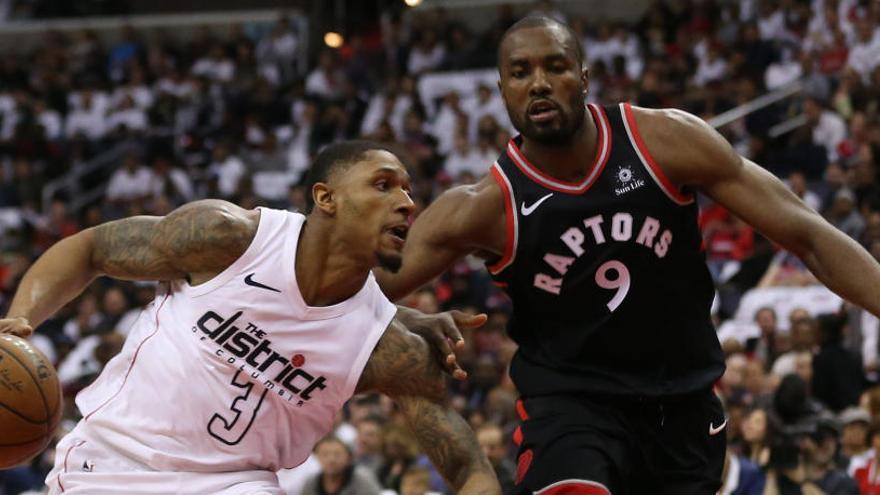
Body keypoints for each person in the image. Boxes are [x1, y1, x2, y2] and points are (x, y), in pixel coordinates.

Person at [375, 15, 880, 494]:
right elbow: (353, 291)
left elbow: (807, 233)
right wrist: (398, 315)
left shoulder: (664, 141)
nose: (539, 83)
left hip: (683, 406)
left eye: (556, 66)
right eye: (520, 72)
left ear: (585, 77)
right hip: (571, 408)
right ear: (502, 90)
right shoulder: (482, 207)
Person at [0, 140, 499, 495]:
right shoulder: (228, 239)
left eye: (409, 191)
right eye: (384, 185)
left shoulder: (388, 348)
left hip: (235, 484)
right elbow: (91, 249)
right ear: (326, 197)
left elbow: (467, 465)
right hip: (113, 460)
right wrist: (19, 322)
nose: (407, 203)